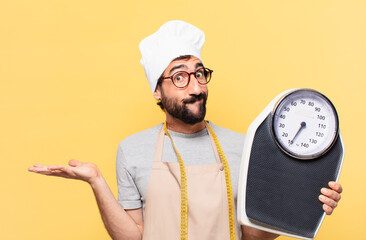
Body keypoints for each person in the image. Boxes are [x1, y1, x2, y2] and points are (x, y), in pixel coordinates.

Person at [28, 20, 343, 240]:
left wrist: (300, 200)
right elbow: (134, 237)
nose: (195, 87)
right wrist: (96, 181)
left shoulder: (245, 146)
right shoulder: (132, 150)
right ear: (157, 90)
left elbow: (251, 235)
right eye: (180, 77)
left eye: (199, 74)